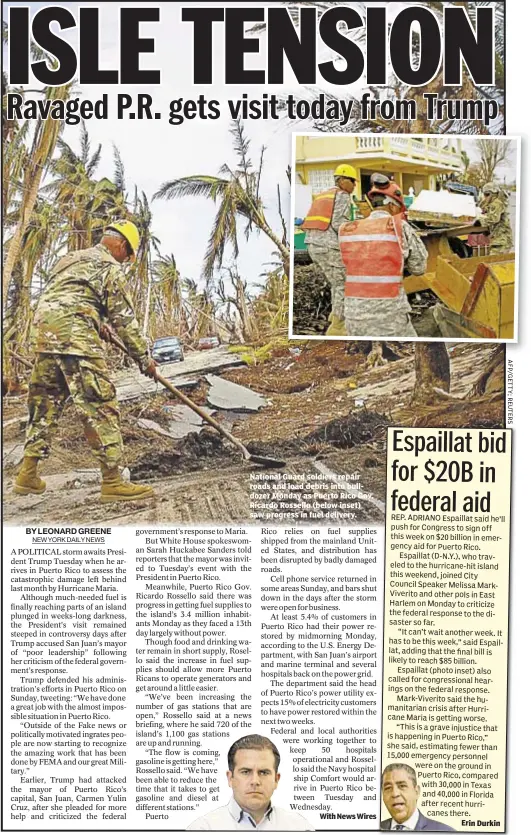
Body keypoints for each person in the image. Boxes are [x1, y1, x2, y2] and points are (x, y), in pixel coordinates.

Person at [13, 220, 158, 503]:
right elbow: (124, 320)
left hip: (44, 333)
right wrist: (144, 359)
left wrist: (96, 320)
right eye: (128, 256)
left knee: (45, 404)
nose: (126, 261)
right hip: (75, 335)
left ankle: (27, 475)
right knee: (99, 404)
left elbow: (70, 295)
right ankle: (113, 482)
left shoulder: (71, 259)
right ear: (121, 245)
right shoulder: (109, 267)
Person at [338, 174, 428, 338]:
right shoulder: (400, 227)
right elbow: (419, 268)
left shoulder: (348, 229)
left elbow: (344, 268)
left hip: (352, 319)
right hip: (389, 321)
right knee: (412, 352)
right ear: (393, 207)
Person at [187, 734, 314, 831]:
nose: (255, 781)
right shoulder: (204, 828)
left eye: (263, 772)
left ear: (276, 779)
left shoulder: (300, 827)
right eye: (246, 772)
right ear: (230, 778)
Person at [301, 164, 357, 336]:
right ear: (341, 180)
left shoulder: (324, 194)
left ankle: (334, 315)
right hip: (328, 246)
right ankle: (339, 327)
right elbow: (338, 224)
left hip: (312, 244)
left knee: (336, 281)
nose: (354, 185)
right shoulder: (342, 195)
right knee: (343, 283)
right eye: (352, 181)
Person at [381, 763, 455, 831]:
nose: (395, 794)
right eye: (388, 788)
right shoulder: (373, 829)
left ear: (416, 791)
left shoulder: (445, 832)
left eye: (402, 786)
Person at [479, 182, 513, 253]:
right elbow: (489, 209)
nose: (485, 197)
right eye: (484, 194)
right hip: (500, 239)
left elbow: (493, 219)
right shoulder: (495, 203)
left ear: (493, 194)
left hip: (501, 240)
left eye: (487, 194)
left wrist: (478, 221)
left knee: (494, 261)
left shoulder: (496, 203)